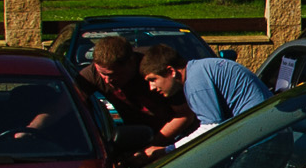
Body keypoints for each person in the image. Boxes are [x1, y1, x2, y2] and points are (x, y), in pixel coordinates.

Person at [141, 42, 270, 151]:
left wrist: (169, 150)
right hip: (261, 131)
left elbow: (211, 128)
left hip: (261, 139)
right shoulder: (198, 71)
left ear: (171, 71)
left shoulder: (195, 81)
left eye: (153, 79)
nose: (151, 87)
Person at [75, 34, 175, 159]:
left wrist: (153, 145)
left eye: (113, 74)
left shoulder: (154, 69)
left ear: (131, 63)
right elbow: (68, 107)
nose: (107, 80)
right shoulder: (91, 76)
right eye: (102, 74)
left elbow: (185, 115)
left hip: (174, 137)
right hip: (129, 138)